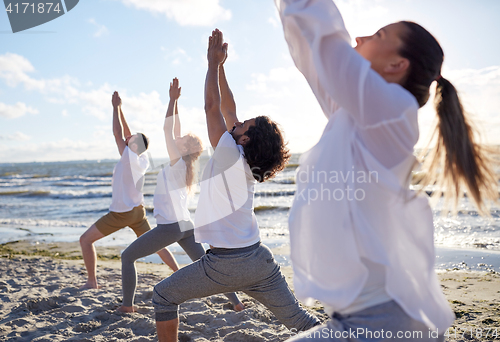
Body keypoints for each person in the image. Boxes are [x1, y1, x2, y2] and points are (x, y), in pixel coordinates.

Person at [275, 0, 498, 341]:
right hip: (370, 320)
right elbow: (311, 50)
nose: (361, 37)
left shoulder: (393, 110)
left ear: (397, 63)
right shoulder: (352, 115)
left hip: (384, 321)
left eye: (378, 34)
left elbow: (327, 40)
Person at [152, 29, 320, 341]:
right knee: (299, 320)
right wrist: (222, 66)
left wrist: (211, 64)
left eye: (243, 125)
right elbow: (228, 109)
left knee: (162, 296)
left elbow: (212, 107)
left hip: (225, 264)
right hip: (259, 260)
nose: (237, 123)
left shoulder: (229, 151)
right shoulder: (243, 158)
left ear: (245, 139)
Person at [117, 78, 244, 313]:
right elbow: (174, 130)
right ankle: (237, 303)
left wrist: (171, 100)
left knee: (127, 257)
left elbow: (168, 129)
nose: (178, 137)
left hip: (171, 226)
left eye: (182, 140)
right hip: (186, 225)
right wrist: (176, 103)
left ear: (184, 148)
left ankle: (127, 306)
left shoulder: (177, 163)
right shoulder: (185, 165)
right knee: (209, 264)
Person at [79, 91, 179, 290]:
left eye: (130, 139)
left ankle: (91, 282)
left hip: (121, 214)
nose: (127, 139)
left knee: (85, 240)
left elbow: (118, 133)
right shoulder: (141, 158)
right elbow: (126, 134)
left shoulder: (128, 156)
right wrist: (121, 108)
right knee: (157, 245)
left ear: (133, 145)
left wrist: (115, 108)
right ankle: (179, 273)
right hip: (137, 212)